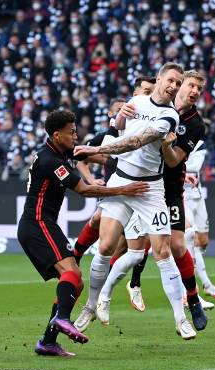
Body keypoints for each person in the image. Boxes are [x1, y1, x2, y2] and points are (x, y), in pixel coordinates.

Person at [72, 62, 198, 341]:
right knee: (105, 245)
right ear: (160, 78)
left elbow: (136, 142)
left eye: (179, 83)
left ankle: (181, 318)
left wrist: (97, 149)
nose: (174, 86)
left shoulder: (170, 116)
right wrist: (119, 118)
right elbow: (121, 130)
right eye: (172, 80)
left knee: (163, 251)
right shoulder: (137, 100)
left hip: (149, 189)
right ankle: (91, 306)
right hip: (120, 181)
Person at [18, 109, 148, 357]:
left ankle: (48, 341)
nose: (75, 137)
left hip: (43, 223)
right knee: (72, 273)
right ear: (57, 135)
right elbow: (86, 191)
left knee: (74, 284)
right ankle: (63, 319)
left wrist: (123, 160)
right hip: (37, 223)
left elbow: (92, 156)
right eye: (71, 133)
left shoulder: (57, 151)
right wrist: (125, 189)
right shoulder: (51, 161)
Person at [71, 76, 156, 314]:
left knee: (137, 245)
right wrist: (90, 179)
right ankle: (77, 259)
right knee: (100, 225)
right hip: (115, 189)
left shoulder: (148, 124)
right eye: (144, 91)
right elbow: (82, 159)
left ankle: (125, 286)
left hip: (141, 190)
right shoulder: (109, 133)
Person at [184, 140, 215, 299]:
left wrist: (179, 162)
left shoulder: (199, 143)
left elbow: (195, 165)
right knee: (191, 241)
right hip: (183, 197)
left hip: (197, 194)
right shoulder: (172, 137)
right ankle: (203, 285)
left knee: (202, 242)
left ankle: (195, 279)